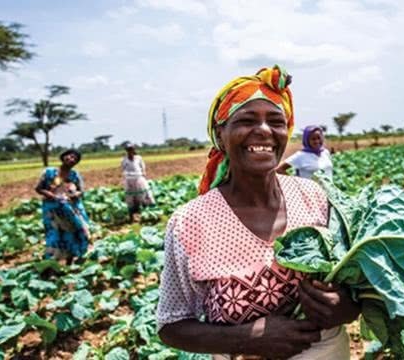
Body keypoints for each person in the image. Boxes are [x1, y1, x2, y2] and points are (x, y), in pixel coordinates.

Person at [156, 65, 360, 359]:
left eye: (276, 121)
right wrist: (245, 339)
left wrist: (346, 308)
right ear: (220, 133)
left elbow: (354, 286)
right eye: (246, 120)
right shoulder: (190, 222)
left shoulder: (314, 197)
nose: (264, 130)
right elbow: (171, 325)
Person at [35, 149, 90, 265]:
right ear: (63, 157)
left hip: (70, 209)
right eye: (70, 156)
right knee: (55, 235)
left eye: (75, 158)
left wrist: (75, 195)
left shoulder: (74, 175)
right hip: (52, 210)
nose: (71, 159)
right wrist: (52, 195)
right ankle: (50, 264)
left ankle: (70, 261)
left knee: (73, 232)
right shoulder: (49, 172)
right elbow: (38, 188)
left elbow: (81, 191)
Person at [121, 144, 154, 222]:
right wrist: (127, 175)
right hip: (129, 181)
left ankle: (147, 215)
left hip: (139, 179)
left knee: (144, 195)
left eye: (131, 150)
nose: (130, 151)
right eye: (128, 150)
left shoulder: (138, 158)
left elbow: (143, 167)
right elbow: (123, 169)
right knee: (130, 198)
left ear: (134, 150)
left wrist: (142, 173)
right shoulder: (124, 160)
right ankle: (131, 217)